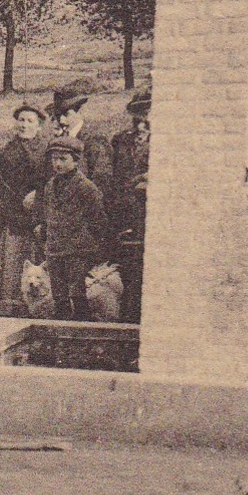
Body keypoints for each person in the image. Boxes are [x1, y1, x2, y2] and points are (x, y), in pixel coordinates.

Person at [0, 102, 48, 317]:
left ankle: (36, 308)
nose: (24, 125)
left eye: (30, 121)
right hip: (10, 214)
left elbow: (50, 180)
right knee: (9, 258)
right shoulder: (7, 152)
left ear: (39, 126)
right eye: (21, 120)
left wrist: (39, 195)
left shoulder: (47, 150)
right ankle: (7, 308)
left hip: (36, 215)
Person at [36, 135, 109, 321]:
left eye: (63, 159)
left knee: (77, 290)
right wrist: (45, 231)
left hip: (77, 248)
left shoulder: (86, 187)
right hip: (54, 248)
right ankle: (61, 323)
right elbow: (47, 213)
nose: (57, 164)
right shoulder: (50, 185)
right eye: (54, 159)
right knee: (58, 291)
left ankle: (82, 324)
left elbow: (98, 220)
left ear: (76, 161)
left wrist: (89, 243)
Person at [110, 89, 151, 323]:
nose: (141, 126)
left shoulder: (168, 142)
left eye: (146, 118)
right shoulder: (121, 141)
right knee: (127, 272)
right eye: (137, 119)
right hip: (125, 216)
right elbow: (115, 178)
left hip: (149, 216)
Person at [48, 84, 112, 193]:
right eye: (58, 115)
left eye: (66, 114)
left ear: (80, 111)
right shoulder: (58, 140)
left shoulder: (94, 139)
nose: (62, 120)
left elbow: (101, 180)